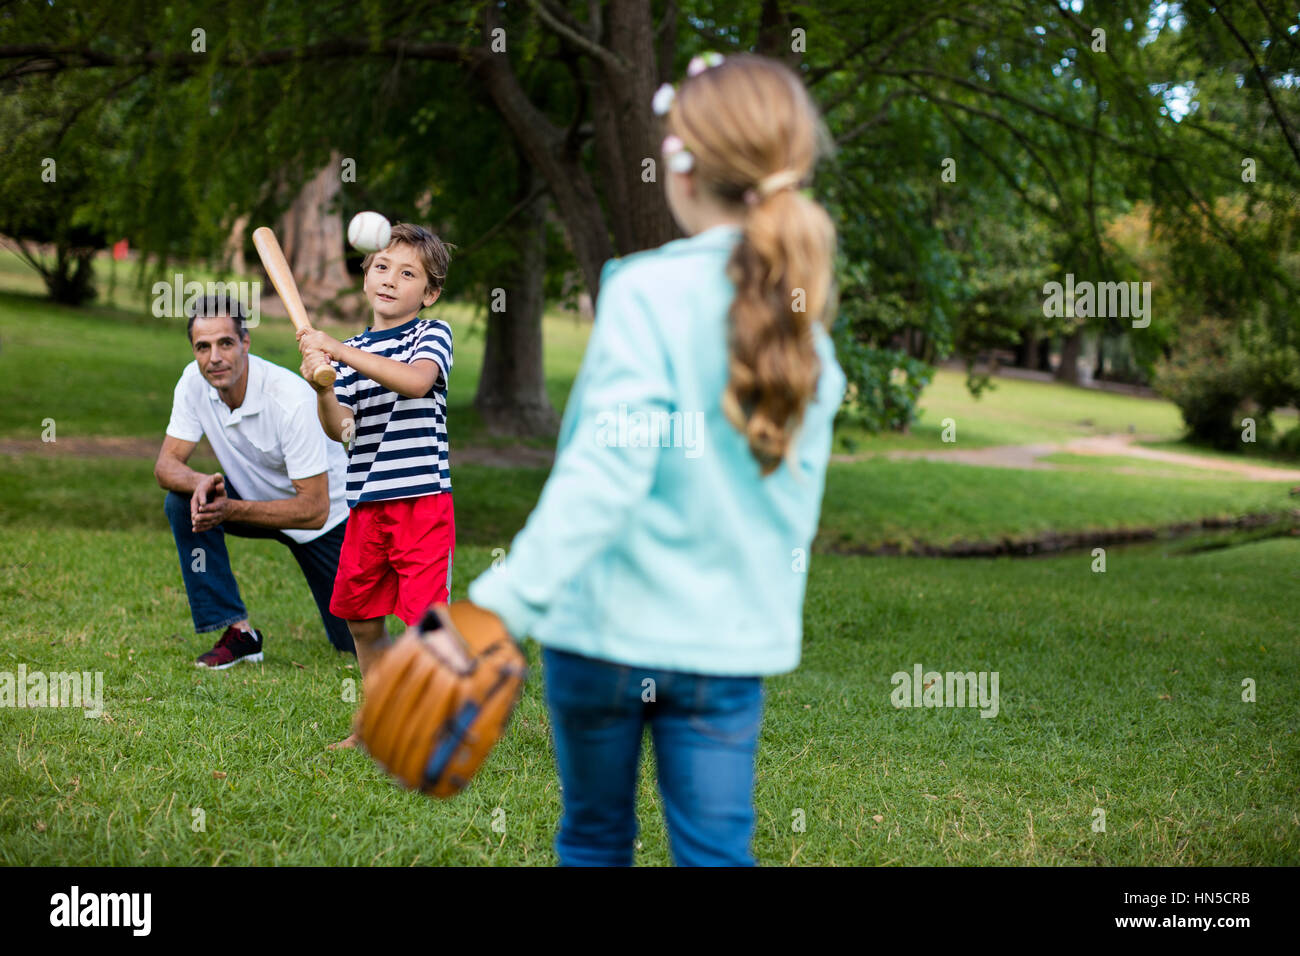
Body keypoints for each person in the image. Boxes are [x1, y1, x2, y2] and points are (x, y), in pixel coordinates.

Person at [463, 53, 847, 865]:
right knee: (715, 853)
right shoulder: (807, 332)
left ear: (679, 166)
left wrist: (501, 603)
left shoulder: (641, 290)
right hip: (725, 649)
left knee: (596, 838)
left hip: (602, 639)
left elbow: (608, 473)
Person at [297, 223, 456, 749]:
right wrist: (321, 383)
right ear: (366, 274)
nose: (390, 279)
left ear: (428, 293)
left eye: (408, 273)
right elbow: (340, 427)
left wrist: (338, 353)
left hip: (421, 504)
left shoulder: (430, 335)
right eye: (382, 266)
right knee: (359, 618)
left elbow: (416, 381)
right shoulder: (353, 350)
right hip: (366, 504)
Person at [155, 294, 354, 668]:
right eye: (203, 346)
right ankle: (238, 632)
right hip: (251, 498)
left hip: (326, 520)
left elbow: (313, 509)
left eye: (225, 343)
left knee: (351, 644)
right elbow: (166, 466)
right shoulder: (193, 384)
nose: (214, 357)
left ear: (245, 342)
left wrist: (229, 508)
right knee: (184, 502)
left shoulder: (291, 399)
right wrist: (200, 483)